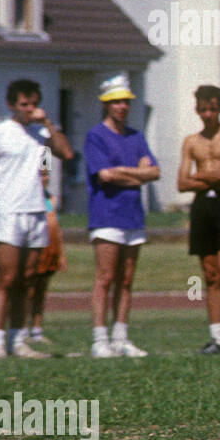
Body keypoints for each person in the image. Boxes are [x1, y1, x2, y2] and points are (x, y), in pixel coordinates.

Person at [0, 79, 74, 358]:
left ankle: (18, 340)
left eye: (33, 104)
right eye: (24, 104)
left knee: (28, 279)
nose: (30, 109)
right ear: (11, 105)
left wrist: (49, 124)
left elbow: (64, 153)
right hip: (8, 211)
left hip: (36, 211)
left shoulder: (41, 134)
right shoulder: (2, 132)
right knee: (7, 278)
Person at [85, 73, 160, 358]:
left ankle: (121, 337)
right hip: (106, 216)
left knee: (127, 280)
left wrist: (124, 173)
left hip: (132, 216)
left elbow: (154, 172)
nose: (121, 107)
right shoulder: (96, 136)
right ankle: (99, 339)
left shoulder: (137, 136)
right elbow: (104, 175)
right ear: (106, 105)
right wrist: (137, 174)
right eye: (116, 102)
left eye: (125, 102)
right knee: (105, 278)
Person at [178, 85, 220, 354]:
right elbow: (181, 183)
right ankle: (217, 337)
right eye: (204, 109)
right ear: (197, 110)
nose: (208, 114)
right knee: (210, 274)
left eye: (213, 108)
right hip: (202, 207)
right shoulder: (191, 142)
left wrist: (200, 177)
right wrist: (208, 177)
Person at [27, 166, 67, 346]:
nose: (45, 179)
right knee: (28, 291)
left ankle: (37, 329)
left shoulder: (51, 199)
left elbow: (56, 229)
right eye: (41, 175)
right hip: (33, 251)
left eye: (46, 175)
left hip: (49, 251)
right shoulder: (28, 200)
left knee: (41, 292)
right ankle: (20, 328)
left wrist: (61, 255)